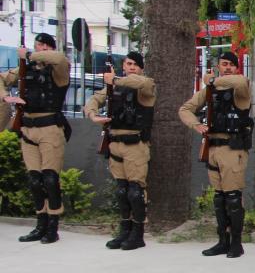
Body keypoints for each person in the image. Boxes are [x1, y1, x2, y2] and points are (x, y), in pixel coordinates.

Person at [178, 51, 252, 258]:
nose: (227, 67)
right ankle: (222, 241)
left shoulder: (240, 87)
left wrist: (213, 81)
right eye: (223, 64)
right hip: (212, 147)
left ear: (236, 68)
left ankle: (236, 244)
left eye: (230, 65)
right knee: (219, 198)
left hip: (233, 149)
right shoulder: (210, 90)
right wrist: (196, 125)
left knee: (233, 197)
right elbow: (185, 109)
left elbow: (242, 81)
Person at [0, 33, 71, 243]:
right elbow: (2, 79)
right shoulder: (25, 69)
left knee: (50, 178)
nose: (39, 49)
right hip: (27, 127)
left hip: (49, 127)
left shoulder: (58, 68)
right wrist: (4, 96)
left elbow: (59, 58)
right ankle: (40, 224)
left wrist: (29, 54)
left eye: (43, 46)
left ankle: (53, 227)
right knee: (34, 180)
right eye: (36, 45)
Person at [84, 51, 156, 250]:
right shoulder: (113, 86)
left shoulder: (144, 86)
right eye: (128, 64)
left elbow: (144, 84)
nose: (131, 67)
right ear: (123, 65)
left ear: (141, 68)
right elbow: (92, 101)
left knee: (135, 191)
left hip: (136, 145)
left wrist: (115, 79)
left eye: (135, 64)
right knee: (122, 191)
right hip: (115, 143)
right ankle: (124, 230)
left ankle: (138, 234)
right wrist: (93, 115)